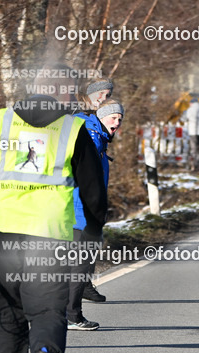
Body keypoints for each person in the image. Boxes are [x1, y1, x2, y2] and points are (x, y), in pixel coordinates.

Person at [0, 65, 107, 353]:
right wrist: (92, 234)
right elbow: (94, 193)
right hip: (51, 236)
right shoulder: (73, 129)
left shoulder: (2, 122)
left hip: (6, 233)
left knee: (8, 314)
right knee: (47, 310)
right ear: (63, 93)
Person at [67, 99, 123, 330]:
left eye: (120, 118)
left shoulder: (96, 136)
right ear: (101, 116)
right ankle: (72, 316)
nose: (117, 122)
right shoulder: (90, 136)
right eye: (113, 117)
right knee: (79, 266)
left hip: (80, 210)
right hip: (80, 211)